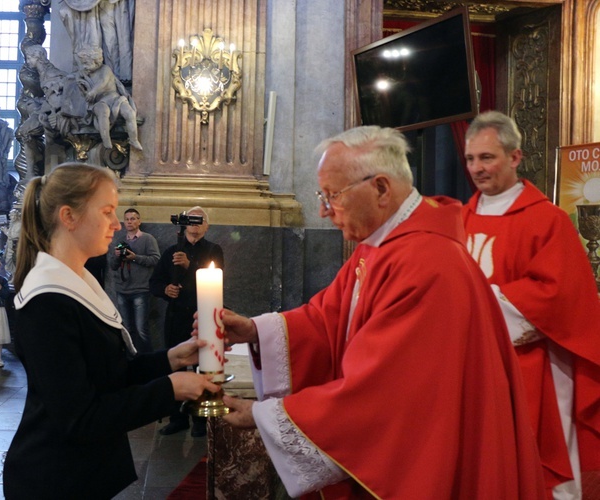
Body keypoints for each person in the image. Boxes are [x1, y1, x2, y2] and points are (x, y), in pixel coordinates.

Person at [212, 126, 544, 498]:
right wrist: (255, 331)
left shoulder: (426, 263)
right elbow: (328, 317)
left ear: (381, 188)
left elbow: (379, 395)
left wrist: (265, 416)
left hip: (428, 461)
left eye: (332, 196)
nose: (323, 211)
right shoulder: (382, 245)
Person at [2, 163, 219, 499]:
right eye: (106, 211)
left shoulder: (78, 282)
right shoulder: (46, 300)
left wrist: (169, 360)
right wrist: (169, 390)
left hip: (82, 473)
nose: (117, 223)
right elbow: (81, 417)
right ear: (68, 217)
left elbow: (109, 373)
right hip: (54, 477)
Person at [462, 110, 600, 499]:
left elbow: (559, 295)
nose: (477, 168)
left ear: (515, 157)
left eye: (487, 157)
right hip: (479, 361)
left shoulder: (547, 220)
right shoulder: (461, 218)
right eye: (471, 158)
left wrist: (481, 303)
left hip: (538, 362)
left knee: (545, 461)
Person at [150, 206, 224, 437]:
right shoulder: (172, 250)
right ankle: (177, 418)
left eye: (199, 220)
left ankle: (201, 419)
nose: (195, 223)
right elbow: (155, 281)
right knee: (176, 365)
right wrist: (165, 289)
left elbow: (216, 276)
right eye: (191, 220)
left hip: (203, 314)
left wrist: (189, 266)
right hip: (176, 316)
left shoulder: (213, 249)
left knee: (204, 366)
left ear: (206, 226)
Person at [109, 208, 160, 353]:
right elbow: (113, 266)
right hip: (122, 289)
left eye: (133, 218)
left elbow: (156, 260)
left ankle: (146, 359)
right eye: (127, 219)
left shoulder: (148, 239)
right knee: (127, 328)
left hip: (140, 289)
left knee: (141, 329)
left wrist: (135, 257)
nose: (129, 222)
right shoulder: (120, 241)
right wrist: (117, 256)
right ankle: (132, 358)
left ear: (139, 221)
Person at [74, 46, 142, 151]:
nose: (84, 67)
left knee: (129, 113)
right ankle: (106, 140)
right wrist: (84, 88)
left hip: (115, 98)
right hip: (100, 102)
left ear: (95, 61)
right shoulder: (84, 75)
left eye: (86, 64)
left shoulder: (105, 69)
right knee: (103, 112)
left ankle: (133, 139)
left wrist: (93, 92)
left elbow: (103, 82)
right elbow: (84, 91)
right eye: (82, 64)